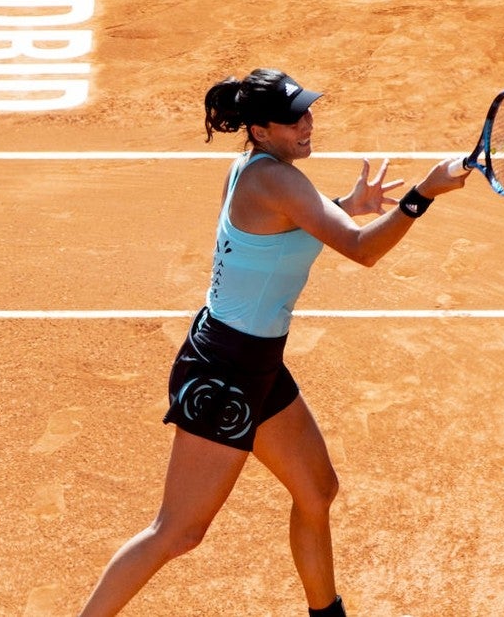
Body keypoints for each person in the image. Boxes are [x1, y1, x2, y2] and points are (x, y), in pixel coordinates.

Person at [77, 68, 468, 616]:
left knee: (316, 489)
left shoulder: (254, 172)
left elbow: (278, 227)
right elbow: (361, 250)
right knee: (178, 532)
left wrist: (342, 205)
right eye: (293, 118)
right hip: (224, 371)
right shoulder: (278, 180)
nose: (307, 123)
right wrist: (422, 194)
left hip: (252, 360)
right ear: (260, 130)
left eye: (307, 111)